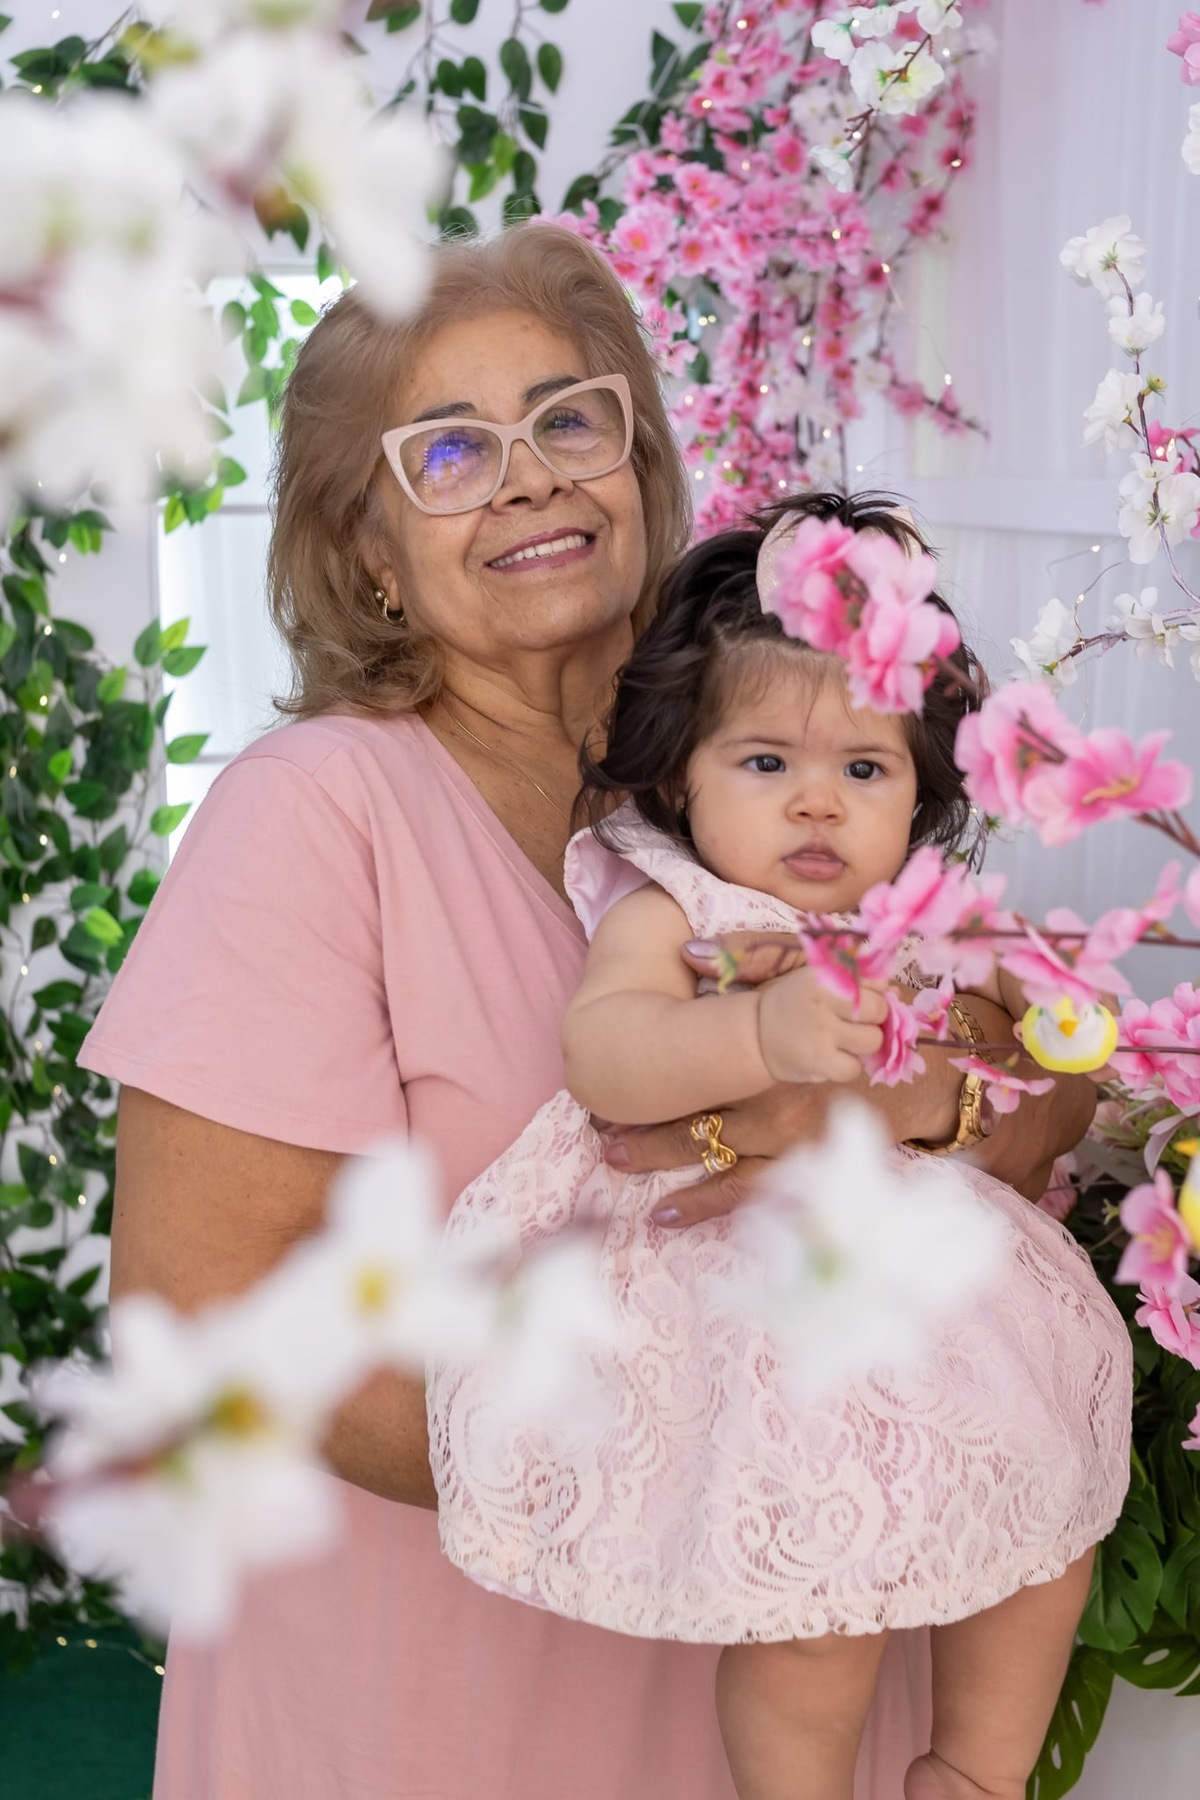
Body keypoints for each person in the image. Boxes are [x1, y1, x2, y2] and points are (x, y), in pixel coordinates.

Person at [81, 224, 1097, 1800]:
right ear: (364, 545)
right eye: (449, 450)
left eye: (570, 420)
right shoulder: (315, 814)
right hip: (443, 1699)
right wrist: (652, 1474)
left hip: (816, 1639)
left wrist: (905, 1106)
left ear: (640, 461)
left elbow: (1057, 1077)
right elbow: (204, 1304)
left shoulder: (786, 758)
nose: (532, 476)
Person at [428, 492, 1133, 1800]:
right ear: (680, 776)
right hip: (739, 1307)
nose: (815, 805)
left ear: (922, 793)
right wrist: (762, 1031)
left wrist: (1060, 1017)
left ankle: (972, 1778)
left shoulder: (929, 918)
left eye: (863, 770)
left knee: (1052, 1524)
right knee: (815, 1605)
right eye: (764, 764)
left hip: (933, 1293)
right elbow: (606, 1056)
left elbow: (1052, 1054)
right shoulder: (676, 907)